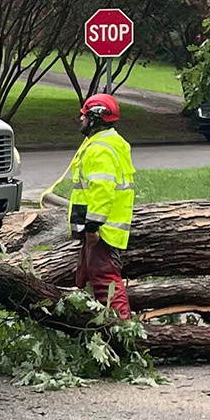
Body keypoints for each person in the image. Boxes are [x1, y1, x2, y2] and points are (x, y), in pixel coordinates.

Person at [66, 93, 135, 317]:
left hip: (102, 231)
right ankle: (86, 322)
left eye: (84, 115)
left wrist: (93, 228)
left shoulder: (99, 150)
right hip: (96, 228)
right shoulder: (107, 143)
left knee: (106, 281)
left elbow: (102, 192)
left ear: (95, 118)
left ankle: (123, 331)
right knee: (84, 276)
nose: (81, 120)